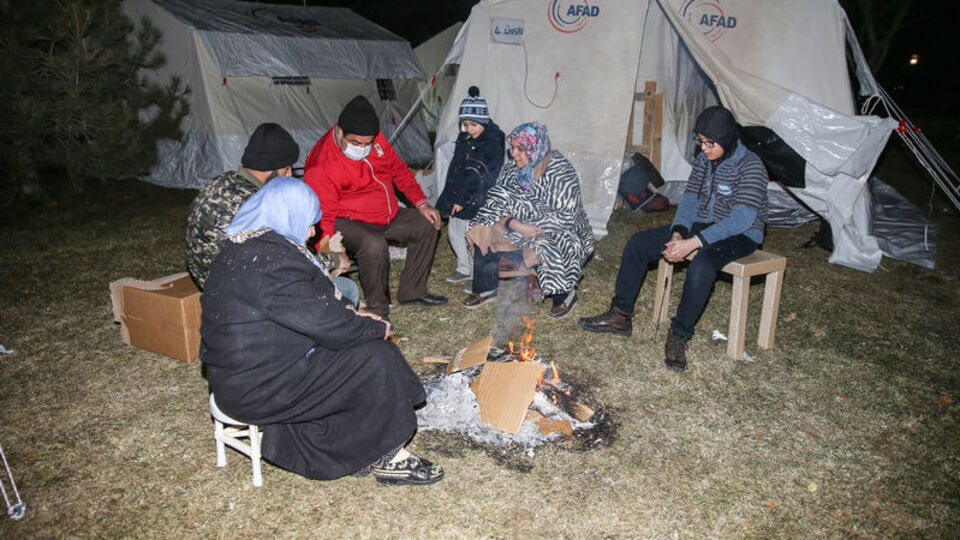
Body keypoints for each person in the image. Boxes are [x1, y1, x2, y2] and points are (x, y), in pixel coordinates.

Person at [201, 177, 443, 485]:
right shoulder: (275, 262)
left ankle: (351, 441)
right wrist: (372, 325)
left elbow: (309, 311)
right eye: (310, 222)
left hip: (238, 377)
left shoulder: (244, 247)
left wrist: (352, 317)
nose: (314, 231)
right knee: (375, 356)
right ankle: (385, 455)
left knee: (352, 347)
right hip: (260, 389)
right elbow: (329, 326)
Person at [578, 105, 768, 372]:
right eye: (700, 141)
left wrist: (693, 243)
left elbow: (741, 219)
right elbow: (690, 198)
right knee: (639, 243)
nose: (704, 148)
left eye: (709, 143)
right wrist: (679, 232)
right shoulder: (706, 160)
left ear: (726, 139)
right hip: (703, 224)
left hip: (739, 234)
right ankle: (620, 316)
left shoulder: (751, 166)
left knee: (702, 265)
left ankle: (679, 334)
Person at [303, 96, 447, 318]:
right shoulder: (322, 164)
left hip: (386, 212)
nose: (362, 148)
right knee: (373, 243)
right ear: (340, 132)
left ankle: (412, 291)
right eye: (355, 143)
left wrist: (421, 203)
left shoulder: (376, 140)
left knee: (426, 224)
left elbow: (399, 170)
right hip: (348, 220)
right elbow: (325, 217)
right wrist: (334, 251)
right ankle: (377, 309)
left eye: (367, 143)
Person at [185, 123, 357, 304]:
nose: (290, 175)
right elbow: (288, 266)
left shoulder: (219, 182)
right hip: (246, 294)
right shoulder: (262, 206)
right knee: (346, 290)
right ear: (272, 169)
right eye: (287, 169)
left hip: (210, 282)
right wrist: (332, 260)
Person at [464, 121, 595, 318]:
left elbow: (566, 216)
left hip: (558, 228)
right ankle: (487, 286)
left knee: (550, 243)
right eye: (513, 148)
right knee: (483, 225)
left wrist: (528, 225)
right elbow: (496, 200)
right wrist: (514, 224)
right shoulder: (512, 169)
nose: (514, 154)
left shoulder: (561, 171)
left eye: (521, 149)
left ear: (536, 148)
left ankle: (565, 294)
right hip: (520, 226)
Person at [435, 86, 505, 283]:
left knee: (473, 235)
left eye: (474, 124)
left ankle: (478, 273)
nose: (469, 129)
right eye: (465, 124)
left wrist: (462, 199)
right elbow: (459, 168)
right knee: (455, 231)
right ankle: (464, 267)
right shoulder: (466, 138)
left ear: (483, 121)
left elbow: (475, 173)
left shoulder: (491, 142)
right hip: (459, 191)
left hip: (477, 196)